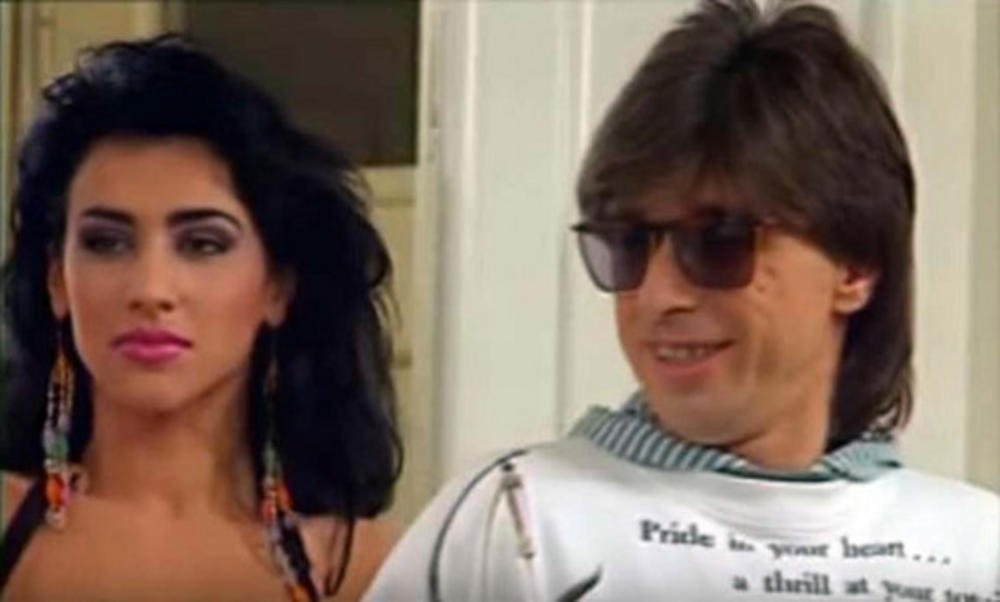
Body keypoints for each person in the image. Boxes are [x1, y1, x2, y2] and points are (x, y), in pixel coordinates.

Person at [366, 1, 1000, 599]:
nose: (658, 295)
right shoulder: (515, 524)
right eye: (626, 243)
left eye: (720, 241)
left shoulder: (974, 553)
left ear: (856, 266)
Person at [0, 35, 401, 601]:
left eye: (203, 244)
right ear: (57, 281)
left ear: (278, 287)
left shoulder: (364, 568)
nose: (151, 290)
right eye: (106, 243)